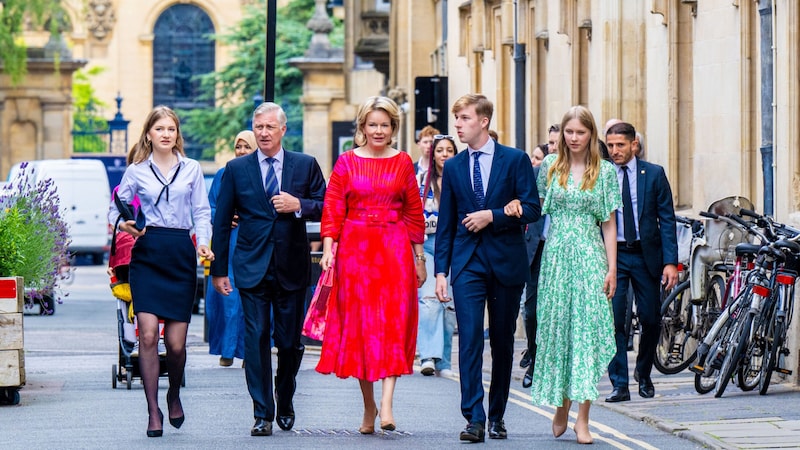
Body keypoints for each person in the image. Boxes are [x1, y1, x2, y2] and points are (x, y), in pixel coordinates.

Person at [210, 103, 326, 436]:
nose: (263, 133)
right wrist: (219, 270)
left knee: (289, 343)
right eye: (258, 127)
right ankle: (262, 412)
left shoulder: (305, 165)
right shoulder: (236, 169)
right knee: (256, 338)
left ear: (283, 130)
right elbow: (221, 222)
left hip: (291, 265)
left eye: (270, 127)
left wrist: (298, 206)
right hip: (251, 265)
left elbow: (328, 205)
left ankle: (285, 398)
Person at [316, 96, 426, 434]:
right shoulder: (347, 162)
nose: (378, 130)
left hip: (393, 250)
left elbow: (413, 212)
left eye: (385, 125)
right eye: (373, 124)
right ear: (362, 128)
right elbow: (333, 208)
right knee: (361, 331)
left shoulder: (404, 162)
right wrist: (328, 249)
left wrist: (419, 257)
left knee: (393, 324)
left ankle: (388, 405)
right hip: (355, 252)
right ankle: (369, 406)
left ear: (393, 128)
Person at [434, 94, 540, 442]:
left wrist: (492, 216)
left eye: (464, 118)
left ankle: (497, 415)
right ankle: (474, 418)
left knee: (502, 341)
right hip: (467, 264)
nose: (458, 126)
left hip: (505, 262)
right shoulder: (453, 166)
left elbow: (532, 208)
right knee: (468, 341)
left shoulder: (515, 160)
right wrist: (440, 272)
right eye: (457, 119)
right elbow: (447, 222)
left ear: (483, 121)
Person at [108, 105, 214, 438]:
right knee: (149, 335)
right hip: (149, 251)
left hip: (181, 252)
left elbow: (201, 211)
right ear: (149, 134)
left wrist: (204, 244)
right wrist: (124, 223)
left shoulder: (192, 169)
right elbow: (116, 206)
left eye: (171, 129)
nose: (166, 134)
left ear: (176, 134)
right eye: (160, 129)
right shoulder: (136, 171)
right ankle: (153, 411)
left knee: (177, 344)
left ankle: (173, 393)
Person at [521, 105, 619, 445]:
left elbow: (608, 223)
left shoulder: (604, 172)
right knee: (560, 331)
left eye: (580, 132)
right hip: (557, 259)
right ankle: (561, 404)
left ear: (591, 134)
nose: (574, 138)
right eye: (569, 131)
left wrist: (612, 269)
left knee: (587, 335)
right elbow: (533, 208)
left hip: (590, 256)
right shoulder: (550, 166)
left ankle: (583, 418)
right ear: (561, 134)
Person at [604, 122, 678, 404]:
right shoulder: (602, 174)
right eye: (610, 146)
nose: (614, 151)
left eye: (620, 145)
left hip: (647, 256)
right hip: (615, 256)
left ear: (634, 144)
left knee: (650, 319)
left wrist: (670, 262)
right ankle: (619, 384)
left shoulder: (654, 174)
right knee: (615, 321)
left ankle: (644, 373)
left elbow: (667, 219)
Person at [206, 130, 256, 367]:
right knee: (227, 298)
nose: (242, 151)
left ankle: (250, 351)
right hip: (228, 242)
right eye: (239, 146)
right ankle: (226, 350)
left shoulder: (260, 173)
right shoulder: (223, 174)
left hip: (251, 241)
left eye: (247, 147)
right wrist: (224, 216)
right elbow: (209, 208)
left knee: (251, 298)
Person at [417, 134, 458, 377]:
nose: (444, 154)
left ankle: (444, 362)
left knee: (449, 305)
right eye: (440, 150)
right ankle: (428, 356)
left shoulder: (462, 179)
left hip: (455, 247)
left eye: (449, 150)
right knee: (430, 300)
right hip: (429, 246)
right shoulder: (421, 180)